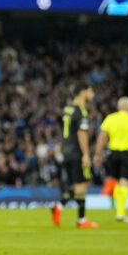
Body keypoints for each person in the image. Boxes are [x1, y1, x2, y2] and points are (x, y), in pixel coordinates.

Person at [52, 82, 99, 228]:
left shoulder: (67, 108)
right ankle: (79, 218)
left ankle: (63, 208)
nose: (93, 95)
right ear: (83, 92)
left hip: (67, 150)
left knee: (80, 184)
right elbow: (81, 134)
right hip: (77, 151)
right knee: (81, 184)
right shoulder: (80, 110)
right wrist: (86, 154)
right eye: (91, 91)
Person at [96, 97, 128, 223]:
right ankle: (120, 213)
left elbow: (102, 137)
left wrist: (98, 154)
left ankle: (118, 206)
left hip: (113, 154)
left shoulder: (110, 119)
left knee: (117, 181)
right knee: (124, 182)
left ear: (118, 107)